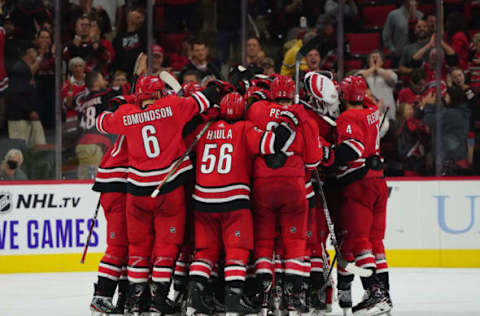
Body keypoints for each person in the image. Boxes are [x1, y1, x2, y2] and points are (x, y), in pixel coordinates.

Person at [95, 76, 231, 314]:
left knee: (137, 247)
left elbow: (102, 122)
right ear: (160, 93)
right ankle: (159, 299)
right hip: (168, 189)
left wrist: (123, 101)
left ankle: (136, 300)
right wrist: (216, 86)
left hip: (136, 193)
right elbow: (204, 100)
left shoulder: (127, 113)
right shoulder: (172, 106)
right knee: (166, 246)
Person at [186, 92, 294, 315]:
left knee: (205, 251)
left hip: (203, 200)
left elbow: (184, 139)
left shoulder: (204, 129)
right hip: (234, 201)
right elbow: (274, 143)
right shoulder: (245, 129)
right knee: (236, 250)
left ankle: (194, 297)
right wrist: (290, 122)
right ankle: (234, 299)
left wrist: (202, 118)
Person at [245, 75, 330, 314]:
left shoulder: (257, 110)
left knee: (264, 241)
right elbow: (313, 161)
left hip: (262, 183)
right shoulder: (304, 117)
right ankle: (293, 297)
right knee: (294, 242)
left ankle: (266, 296)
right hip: (294, 186)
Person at [334, 76, 391, 315]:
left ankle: (374, 294)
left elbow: (350, 150)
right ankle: (384, 296)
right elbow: (365, 100)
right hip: (379, 182)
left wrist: (328, 155)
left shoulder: (348, 117)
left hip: (359, 183)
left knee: (360, 243)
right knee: (376, 243)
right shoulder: (372, 111)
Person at [72, 70, 125, 179]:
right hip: (96, 146)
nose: (105, 82)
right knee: (95, 183)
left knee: (83, 182)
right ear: (96, 82)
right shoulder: (105, 96)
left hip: (82, 144)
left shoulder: (84, 102)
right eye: (102, 79)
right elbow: (122, 93)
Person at [6, 42, 47, 147]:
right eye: (34, 51)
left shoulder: (25, 68)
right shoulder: (19, 69)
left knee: (38, 146)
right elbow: (16, 94)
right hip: (19, 116)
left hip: (28, 115)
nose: (36, 53)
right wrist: (30, 110)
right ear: (29, 52)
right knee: (19, 149)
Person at [357, 50, 398, 121]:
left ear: (382, 61)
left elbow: (393, 80)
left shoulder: (389, 72)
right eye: (372, 57)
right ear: (368, 61)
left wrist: (378, 69)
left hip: (387, 111)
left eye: (377, 57)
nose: (375, 59)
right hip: (369, 112)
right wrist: (372, 68)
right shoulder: (362, 72)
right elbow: (358, 79)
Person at [112, 7, 146, 77]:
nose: (141, 20)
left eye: (142, 18)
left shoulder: (143, 34)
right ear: (128, 18)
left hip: (138, 70)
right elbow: (117, 55)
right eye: (138, 17)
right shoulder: (120, 36)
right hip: (123, 72)